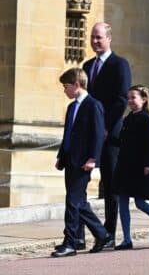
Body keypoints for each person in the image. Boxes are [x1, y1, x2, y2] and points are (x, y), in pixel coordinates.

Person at [52, 68, 112, 257]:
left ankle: (70, 243)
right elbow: (68, 134)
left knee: (72, 201)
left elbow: (98, 134)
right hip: (70, 159)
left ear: (76, 85)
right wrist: (61, 156)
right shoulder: (71, 107)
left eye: (66, 86)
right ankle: (102, 235)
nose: (64, 90)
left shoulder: (93, 105)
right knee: (80, 202)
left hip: (84, 161)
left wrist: (93, 158)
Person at [82, 22, 131, 248]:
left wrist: (104, 127)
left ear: (109, 38)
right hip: (89, 134)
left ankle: (109, 235)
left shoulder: (120, 65)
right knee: (79, 183)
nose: (94, 41)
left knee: (111, 186)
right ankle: (78, 235)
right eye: (92, 37)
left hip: (111, 134)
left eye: (99, 37)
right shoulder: (87, 65)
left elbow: (121, 100)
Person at [113, 85, 149, 250]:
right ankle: (127, 239)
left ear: (143, 99)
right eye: (128, 98)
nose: (130, 101)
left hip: (140, 167)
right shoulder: (128, 118)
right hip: (124, 165)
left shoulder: (146, 119)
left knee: (139, 203)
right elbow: (123, 141)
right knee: (122, 202)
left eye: (133, 97)